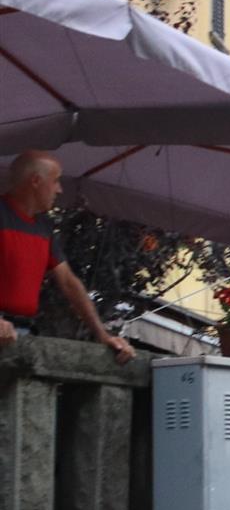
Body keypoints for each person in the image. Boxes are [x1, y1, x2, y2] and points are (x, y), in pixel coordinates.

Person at [0, 152, 134, 363]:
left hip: (22, 332)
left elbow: (69, 282)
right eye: (55, 181)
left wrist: (102, 335)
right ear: (36, 181)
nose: (59, 189)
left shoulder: (43, 226)